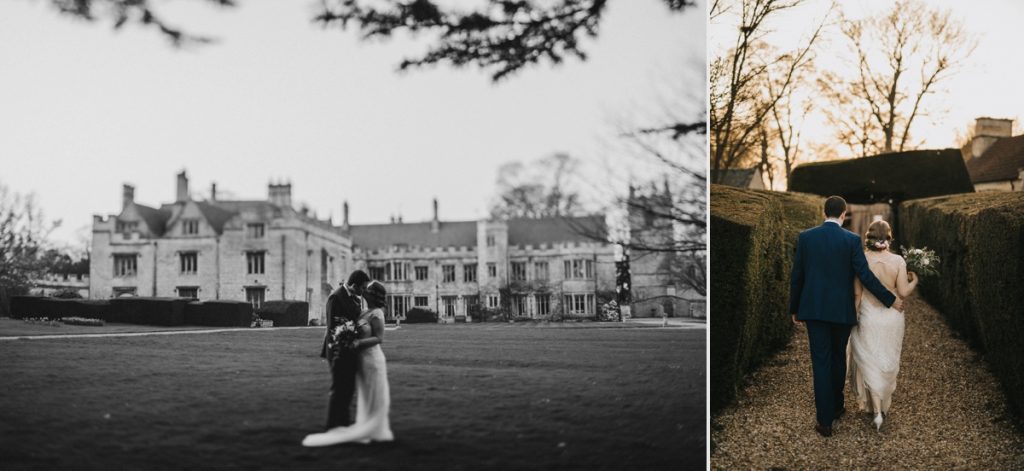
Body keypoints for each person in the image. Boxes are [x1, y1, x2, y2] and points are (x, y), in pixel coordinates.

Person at [789, 195, 904, 438]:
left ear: (824, 212)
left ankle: (825, 419)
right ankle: (837, 405)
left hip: (814, 310)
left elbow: (797, 276)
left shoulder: (806, 237)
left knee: (821, 360)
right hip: (842, 311)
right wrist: (890, 299)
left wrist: (794, 308)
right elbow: (865, 276)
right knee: (838, 358)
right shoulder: (851, 240)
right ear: (843, 215)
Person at [303, 280, 393, 446]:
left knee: (374, 393)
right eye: (364, 287)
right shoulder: (364, 311)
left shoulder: (377, 313)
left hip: (373, 360)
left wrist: (358, 343)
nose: (363, 289)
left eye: (367, 288)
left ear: (372, 294)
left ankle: (376, 428)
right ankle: (364, 423)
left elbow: (379, 339)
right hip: (361, 359)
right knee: (365, 395)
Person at [849, 220, 918, 431]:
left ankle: (876, 410)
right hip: (892, 317)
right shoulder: (898, 260)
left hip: (869, 315)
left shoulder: (862, 260)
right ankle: (882, 408)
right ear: (889, 237)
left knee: (870, 358)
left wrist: (853, 317)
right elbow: (903, 293)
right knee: (887, 359)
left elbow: (858, 294)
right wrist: (915, 280)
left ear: (868, 237)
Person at [319, 270, 370, 431]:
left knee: (348, 388)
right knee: (339, 387)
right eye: (362, 288)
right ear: (354, 285)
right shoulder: (336, 297)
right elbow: (333, 326)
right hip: (337, 349)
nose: (363, 291)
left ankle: (344, 422)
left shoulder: (355, 298)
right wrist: (341, 347)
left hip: (350, 349)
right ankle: (332, 425)